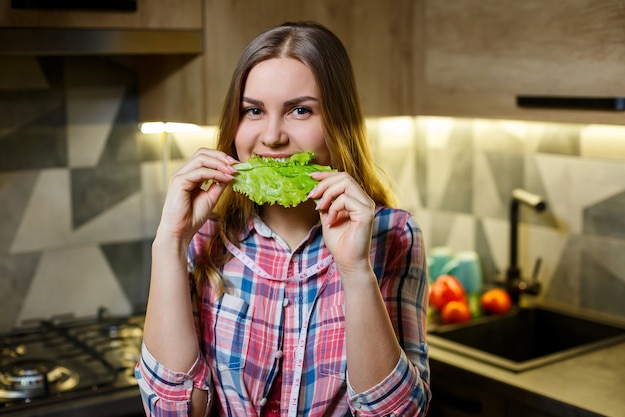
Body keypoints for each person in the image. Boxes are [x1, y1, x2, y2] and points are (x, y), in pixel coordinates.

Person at [135, 21, 431, 417]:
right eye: (253, 110)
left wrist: (356, 271)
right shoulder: (202, 236)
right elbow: (172, 412)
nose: (272, 136)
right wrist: (169, 243)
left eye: (300, 110)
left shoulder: (392, 235)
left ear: (338, 122)